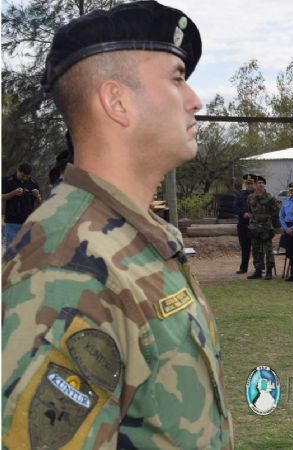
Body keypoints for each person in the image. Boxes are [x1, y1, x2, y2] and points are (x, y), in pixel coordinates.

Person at [1, 2, 232, 448]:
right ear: (117, 101)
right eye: (177, 78)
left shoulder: (137, 235)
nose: (195, 99)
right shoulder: (63, 263)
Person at [2, 163, 43, 251]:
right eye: (23, 175)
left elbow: (39, 201)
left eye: (27, 176)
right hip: (12, 222)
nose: (24, 178)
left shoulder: (33, 183)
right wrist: (13, 193)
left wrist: (37, 195)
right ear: (18, 171)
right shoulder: (7, 180)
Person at [248, 174, 280, 280]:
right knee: (256, 250)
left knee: (268, 250)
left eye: (262, 183)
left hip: (266, 228)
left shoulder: (270, 197)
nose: (260, 185)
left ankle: (269, 271)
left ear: (264, 184)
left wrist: (276, 226)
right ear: (255, 185)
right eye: (258, 183)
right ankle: (258, 270)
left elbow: (276, 212)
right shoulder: (251, 197)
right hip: (255, 228)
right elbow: (251, 211)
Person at [235, 173, 257, 274]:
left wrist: (253, 215)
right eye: (248, 184)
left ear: (254, 184)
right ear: (245, 184)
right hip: (243, 224)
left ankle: (258, 268)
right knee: (245, 247)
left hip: (255, 225)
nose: (249, 185)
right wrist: (243, 213)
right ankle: (243, 268)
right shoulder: (240, 195)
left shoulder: (258, 195)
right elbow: (235, 207)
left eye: (251, 183)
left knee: (257, 247)